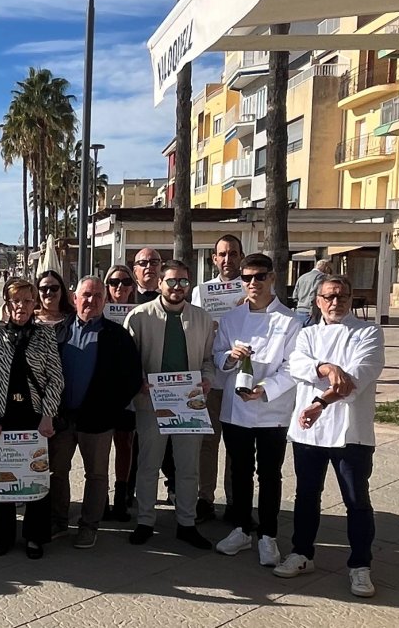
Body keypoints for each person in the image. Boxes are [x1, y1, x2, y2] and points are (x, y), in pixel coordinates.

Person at [274, 274, 385, 599]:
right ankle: (302, 554)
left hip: (350, 431)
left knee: (356, 501)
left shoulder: (368, 333)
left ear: (351, 299)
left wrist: (321, 400)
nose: (336, 302)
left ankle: (360, 566)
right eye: (329, 297)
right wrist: (326, 368)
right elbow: (298, 365)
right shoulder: (306, 335)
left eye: (342, 296)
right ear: (318, 301)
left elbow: (355, 382)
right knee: (307, 495)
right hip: (310, 432)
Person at [211, 254, 302, 565]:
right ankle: (240, 529)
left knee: (269, 475)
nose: (253, 283)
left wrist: (266, 390)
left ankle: (268, 535)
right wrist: (231, 357)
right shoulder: (231, 318)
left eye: (259, 277)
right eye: (247, 278)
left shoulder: (291, 321)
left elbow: (294, 367)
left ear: (272, 278)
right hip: (236, 409)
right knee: (240, 472)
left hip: (271, 411)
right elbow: (217, 356)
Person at [124, 259, 217, 549]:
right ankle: (145, 521)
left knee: (188, 467)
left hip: (189, 403)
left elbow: (207, 360)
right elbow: (128, 361)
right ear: (160, 284)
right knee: (148, 464)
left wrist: (206, 380)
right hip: (152, 402)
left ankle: (186, 523)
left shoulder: (202, 318)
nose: (177, 287)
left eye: (183, 282)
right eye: (172, 281)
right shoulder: (139, 316)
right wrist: (138, 382)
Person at [49, 276, 142, 549]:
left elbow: (132, 379)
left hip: (98, 421)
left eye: (97, 296)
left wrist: (110, 409)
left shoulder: (117, 336)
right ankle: (58, 521)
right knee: (57, 472)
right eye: (86, 295)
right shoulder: (58, 331)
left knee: (97, 475)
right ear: (74, 298)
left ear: (105, 300)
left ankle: (89, 525)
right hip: (63, 418)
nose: (91, 300)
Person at [0, 278, 64, 559]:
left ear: (34, 304)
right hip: (3, 421)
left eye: (28, 301)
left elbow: (55, 379)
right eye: (16, 300)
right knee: (5, 480)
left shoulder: (46, 335)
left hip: (35, 419)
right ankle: (3, 536)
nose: (22, 306)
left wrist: (48, 415)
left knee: (36, 478)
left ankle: (34, 537)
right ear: (7, 303)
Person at [189, 234, 245, 523]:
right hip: (211, 378)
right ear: (214, 259)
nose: (227, 260)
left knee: (236, 446)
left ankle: (235, 502)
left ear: (240, 256)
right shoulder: (202, 292)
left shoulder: (250, 290)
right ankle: (205, 499)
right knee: (207, 445)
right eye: (222, 254)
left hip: (240, 380)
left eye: (233, 254)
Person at [102, 264, 138, 522]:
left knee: (125, 445)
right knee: (100, 448)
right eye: (114, 283)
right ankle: (100, 498)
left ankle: (121, 497)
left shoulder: (140, 313)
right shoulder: (96, 311)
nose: (119, 287)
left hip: (128, 390)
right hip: (101, 392)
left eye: (125, 282)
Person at [292, 259, 331, 327]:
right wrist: (312, 310)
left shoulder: (302, 277)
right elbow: (314, 294)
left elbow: (295, 295)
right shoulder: (321, 277)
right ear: (326, 267)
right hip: (311, 312)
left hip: (299, 311)